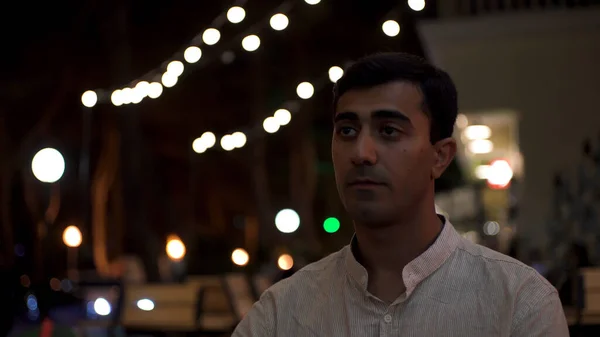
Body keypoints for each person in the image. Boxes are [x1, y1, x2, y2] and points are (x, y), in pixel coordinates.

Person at [232, 52, 568, 336]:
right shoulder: (282, 313)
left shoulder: (519, 304)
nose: (362, 152)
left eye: (389, 131)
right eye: (347, 130)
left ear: (440, 156)